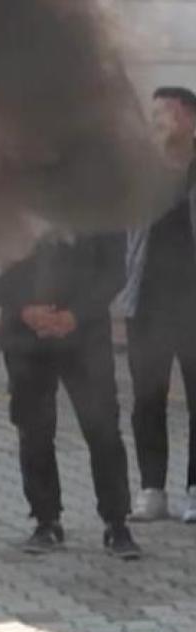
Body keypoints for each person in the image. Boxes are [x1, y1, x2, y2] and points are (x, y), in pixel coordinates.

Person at [0, 232, 141, 559]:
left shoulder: (99, 206)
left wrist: (76, 315)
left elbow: (114, 270)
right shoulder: (9, 201)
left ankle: (116, 522)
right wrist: (24, 309)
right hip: (25, 336)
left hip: (85, 337)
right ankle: (46, 520)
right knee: (34, 430)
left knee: (103, 429)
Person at [120, 86, 196, 524]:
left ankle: (194, 489)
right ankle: (152, 490)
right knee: (148, 397)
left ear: (189, 118)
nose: (155, 124)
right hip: (147, 306)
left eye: (163, 114)